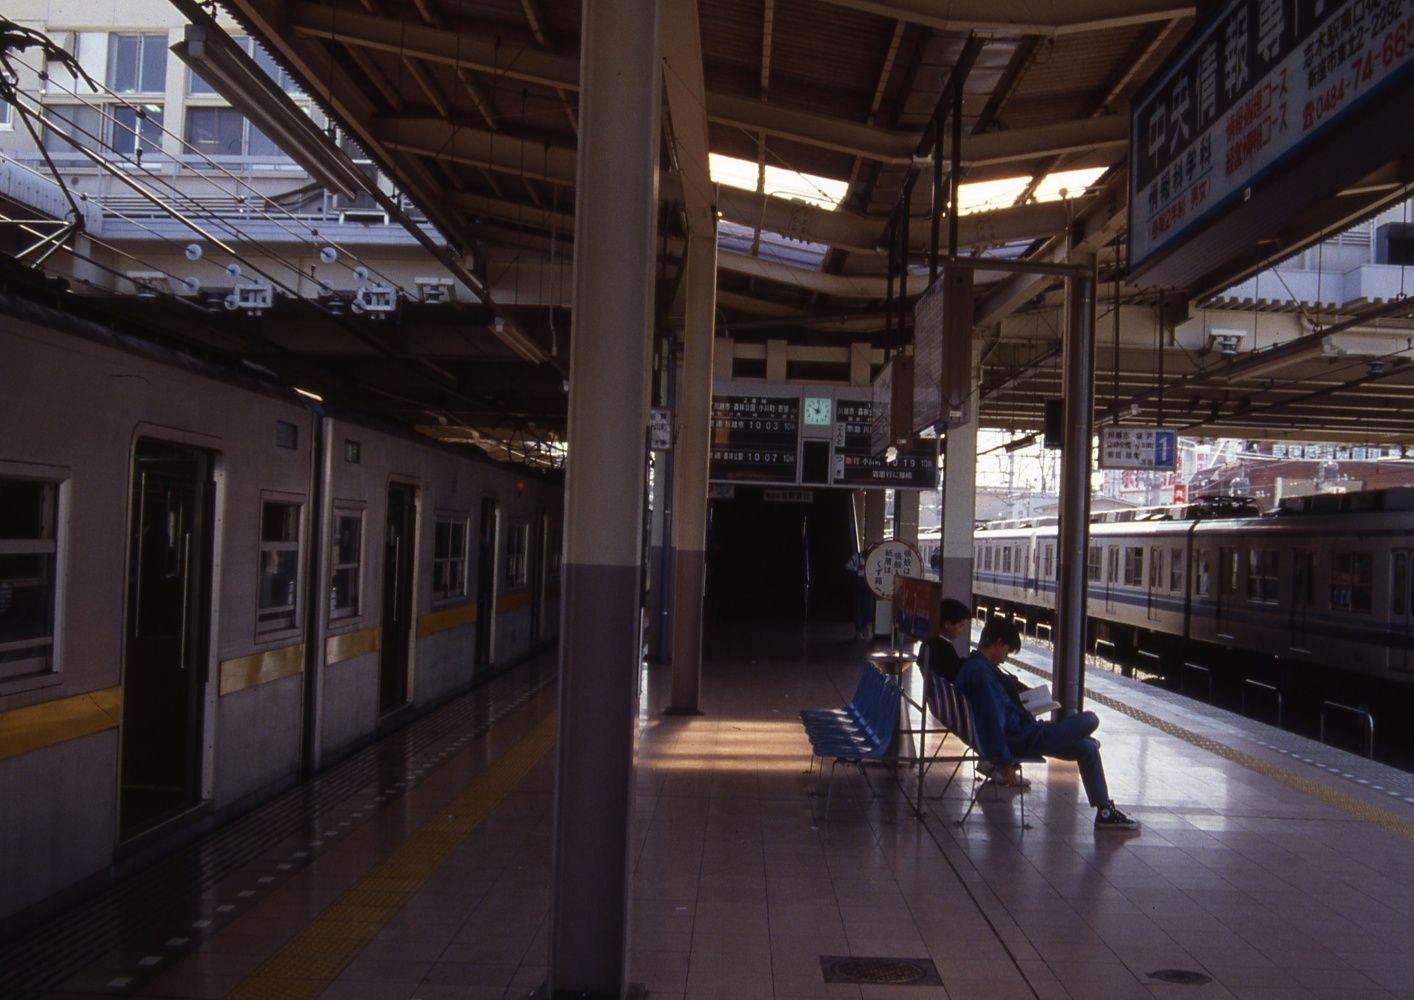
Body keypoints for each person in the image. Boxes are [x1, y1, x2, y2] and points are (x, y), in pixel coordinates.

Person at [955, 617, 1139, 831]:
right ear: (998, 642)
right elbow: (992, 721)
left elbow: (995, 717)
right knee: (1091, 719)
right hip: (1025, 739)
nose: (1005, 658)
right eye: (1006, 650)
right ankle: (1082, 741)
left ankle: (1105, 811)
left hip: (1024, 733)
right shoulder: (983, 675)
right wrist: (1004, 761)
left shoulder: (976, 667)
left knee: (1087, 748)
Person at [922, 597, 971, 686]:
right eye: (960, 626)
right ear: (947, 624)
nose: (961, 630)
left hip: (934, 694)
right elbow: (955, 672)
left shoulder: (929, 642)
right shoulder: (945, 649)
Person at [847, 549, 873, 639]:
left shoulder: (873, 557)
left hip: (868, 583)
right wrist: (857, 568)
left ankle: (864, 627)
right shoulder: (856, 557)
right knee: (859, 607)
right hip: (859, 582)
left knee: (867, 607)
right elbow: (847, 566)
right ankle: (859, 630)